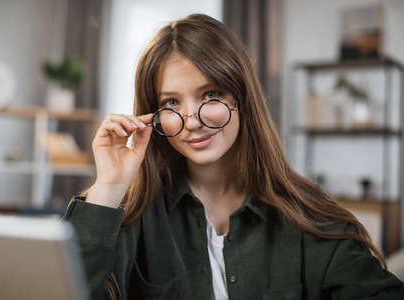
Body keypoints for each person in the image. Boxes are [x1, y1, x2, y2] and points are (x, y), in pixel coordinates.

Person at [63, 14, 404, 300]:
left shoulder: (308, 217)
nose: (193, 121)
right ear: (152, 115)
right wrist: (109, 186)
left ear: (242, 98)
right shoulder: (130, 215)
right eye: (171, 103)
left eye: (211, 94)